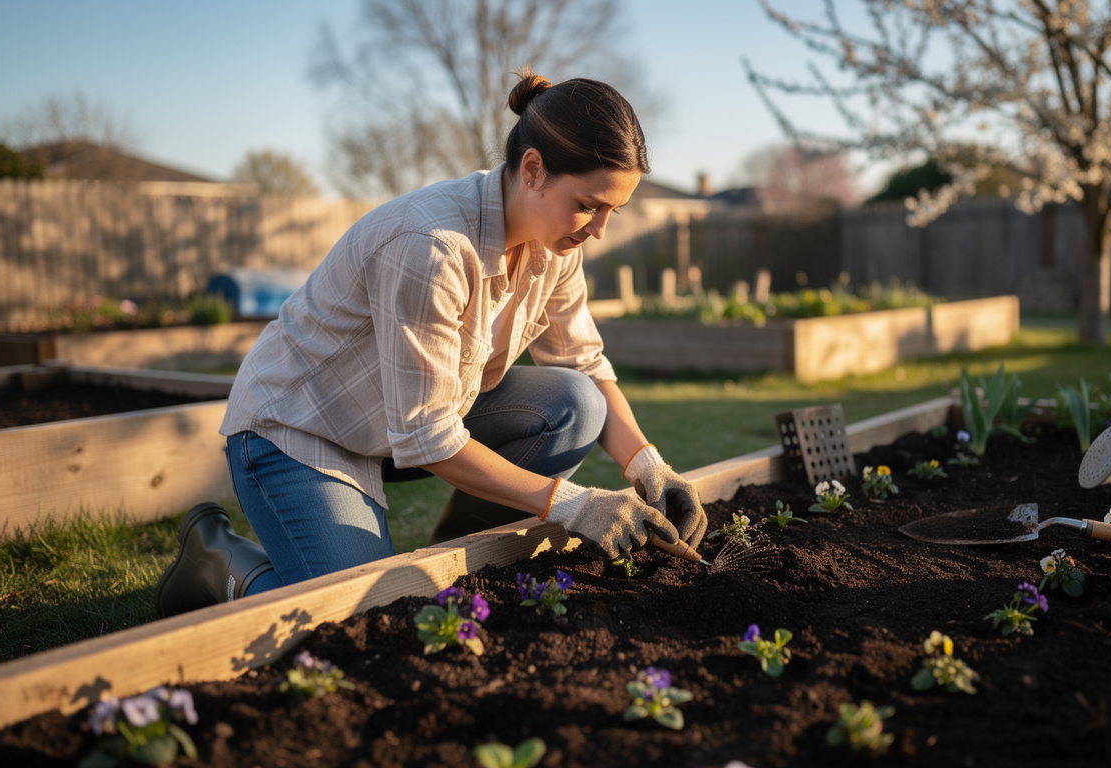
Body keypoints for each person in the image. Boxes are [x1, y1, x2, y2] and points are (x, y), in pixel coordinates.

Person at [154, 71, 708, 616]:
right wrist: (575, 504)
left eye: (615, 210)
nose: (600, 229)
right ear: (534, 170)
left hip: (396, 424)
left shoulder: (555, 245)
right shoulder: (432, 246)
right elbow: (426, 434)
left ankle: (463, 562)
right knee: (360, 615)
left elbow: (583, 362)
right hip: (301, 431)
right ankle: (220, 563)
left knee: (574, 402)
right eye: (590, 204)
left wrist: (647, 465)